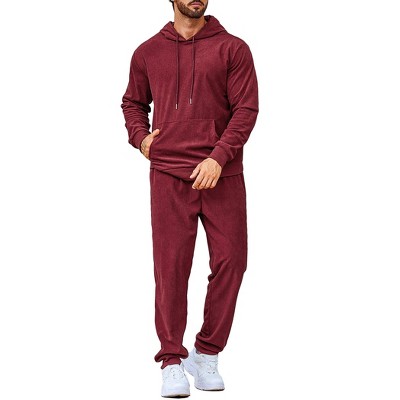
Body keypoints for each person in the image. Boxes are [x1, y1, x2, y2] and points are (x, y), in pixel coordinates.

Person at [121, 0, 258, 397]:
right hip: (168, 174)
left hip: (221, 174)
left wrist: (219, 157)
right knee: (171, 269)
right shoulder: (147, 52)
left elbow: (246, 109)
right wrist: (140, 138)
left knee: (232, 261)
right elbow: (133, 102)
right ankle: (171, 360)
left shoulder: (233, 48)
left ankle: (206, 352)